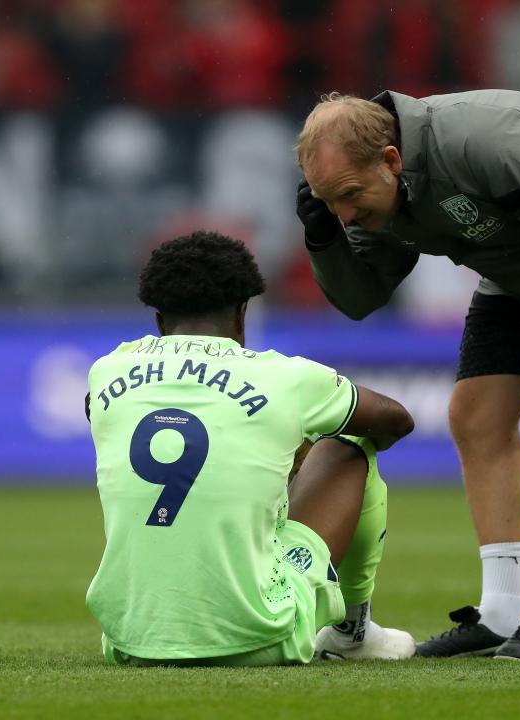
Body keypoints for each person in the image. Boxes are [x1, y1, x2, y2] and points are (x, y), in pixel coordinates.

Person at [295, 90, 520, 660]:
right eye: (330, 201)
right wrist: (324, 239)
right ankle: (500, 615)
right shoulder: (376, 193)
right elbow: (362, 296)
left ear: (392, 159)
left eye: (347, 197)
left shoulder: (487, 141)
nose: (346, 214)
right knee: (475, 416)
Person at [85, 230, 416, 666]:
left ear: (160, 320)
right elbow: (396, 418)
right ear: (243, 313)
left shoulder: (106, 370)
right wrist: (305, 442)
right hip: (261, 636)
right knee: (350, 441)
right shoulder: (285, 377)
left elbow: (97, 410)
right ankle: (352, 632)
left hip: (130, 642)